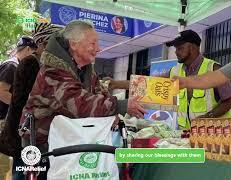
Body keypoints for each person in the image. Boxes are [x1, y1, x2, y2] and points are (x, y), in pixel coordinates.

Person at [19, 20, 145, 149]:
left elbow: (99, 92)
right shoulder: (52, 71)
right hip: (43, 144)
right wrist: (120, 105)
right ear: (74, 44)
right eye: (93, 43)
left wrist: (112, 114)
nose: (98, 49)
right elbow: (78, 105)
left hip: (68, 140)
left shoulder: (86, 69)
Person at [0, 23, 64, 180]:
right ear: (43, 43)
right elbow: (28, 101)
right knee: (23, 174)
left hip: (30, 132)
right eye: (56, 43)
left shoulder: (39, 63)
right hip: (26, 134)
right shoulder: (31, 63)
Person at [166, 30, 231, 129]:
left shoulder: (213, 68)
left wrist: (207, 117)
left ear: (193, 47)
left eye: (180, 48)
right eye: (176, 49)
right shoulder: (174, 72)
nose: (176, 52)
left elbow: (230, 100)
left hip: (212, 136)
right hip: (186, 136)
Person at [0, 37, 37, 129]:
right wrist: (22, 106)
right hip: (3, 118)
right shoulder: (11, 66)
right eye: (34, 53)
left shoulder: (19, 67)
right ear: (28, 49)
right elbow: (1, 92)